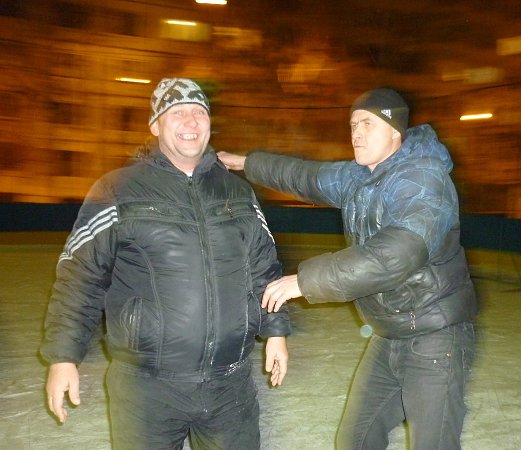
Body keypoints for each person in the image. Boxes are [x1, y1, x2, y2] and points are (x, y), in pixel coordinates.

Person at [218, 87, 477, 450]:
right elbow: (303, 175)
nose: (356, 132)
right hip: (389, 334)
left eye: (368, 123)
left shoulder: (423, 180)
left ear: (395, 131)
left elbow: (395, 255)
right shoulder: (358, 177)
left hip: (435, 336)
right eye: (353, 124)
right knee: (356, 439)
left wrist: (303, 282)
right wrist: (247, 163)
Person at [40, 77, 290, 450]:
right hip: (147, 389)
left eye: (199, 112)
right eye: (177, 112)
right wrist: (64, 356)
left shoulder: (238, 192)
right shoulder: (117, 190)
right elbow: (81, 278)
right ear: (155, 125)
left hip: (229, 386)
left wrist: (276, 331)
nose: (190, 121)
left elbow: (264, 269)